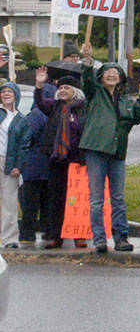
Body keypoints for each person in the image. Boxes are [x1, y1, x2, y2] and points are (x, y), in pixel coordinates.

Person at [78, 42, 140, 253]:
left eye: (115, 72)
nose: (112, 75)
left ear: (121, 78)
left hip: (117, 153)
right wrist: (86, 60)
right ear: (101, 77)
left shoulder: (126, 100)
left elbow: (136, 119)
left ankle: (121, 237)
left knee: (118, 198)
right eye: (107, 72)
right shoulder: (95, 94)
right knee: (96, 199)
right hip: (96, 151)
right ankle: (99, 238)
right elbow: (86, 81)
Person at [33, 72, 86, 248]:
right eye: (60, 88)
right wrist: (39, 86)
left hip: (77, 160)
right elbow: (40, 103)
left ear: (75, 91)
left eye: (66, 88)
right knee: (56, 199)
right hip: (57, 160)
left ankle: (79, 235)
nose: (62, 91)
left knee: (77, 200)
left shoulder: (83, 108)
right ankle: (56, 236)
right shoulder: (54, 107)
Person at [16, 77, 50, 247]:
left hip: (34, 167)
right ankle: (42, 232)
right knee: (41, 203)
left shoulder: (36, 114)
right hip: (43, 166)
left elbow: (27, 138)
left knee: (30, 203)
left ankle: (28, 234)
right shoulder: (45, 114)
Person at [0, 82, 29, 249]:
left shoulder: (21, 120)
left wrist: (19, 165)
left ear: (16, 95)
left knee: (9, 201)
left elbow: (24, 145)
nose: (6, 94)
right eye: (3, 91)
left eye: (9, 92)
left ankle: (9, 238)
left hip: (9, 162)